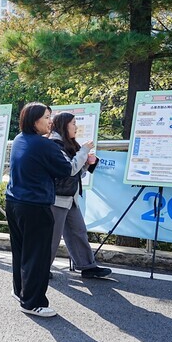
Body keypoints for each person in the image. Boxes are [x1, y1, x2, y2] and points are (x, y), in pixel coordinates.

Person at [5, 103, 78, 318]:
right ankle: (33, 302)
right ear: (34, 121)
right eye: (47, 117)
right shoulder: (44, 145)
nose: (51, 121)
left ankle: (20, 292)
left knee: (21, 251)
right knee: (37, 255)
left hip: (14, 203)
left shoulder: (20, 139)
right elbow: (66, 170)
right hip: (35, 206)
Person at [49, 113, 112, 279]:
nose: (76, 127)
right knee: (52, 237)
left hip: (70, 196)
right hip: (56, 198)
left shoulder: (66, 144)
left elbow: (75, 173)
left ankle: (87, 266)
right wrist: (84, 151)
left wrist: (87, 165)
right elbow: (69, 170)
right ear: (63, 125)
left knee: (78, 231)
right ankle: (40, 268)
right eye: (73, 123)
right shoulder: (54, 144)